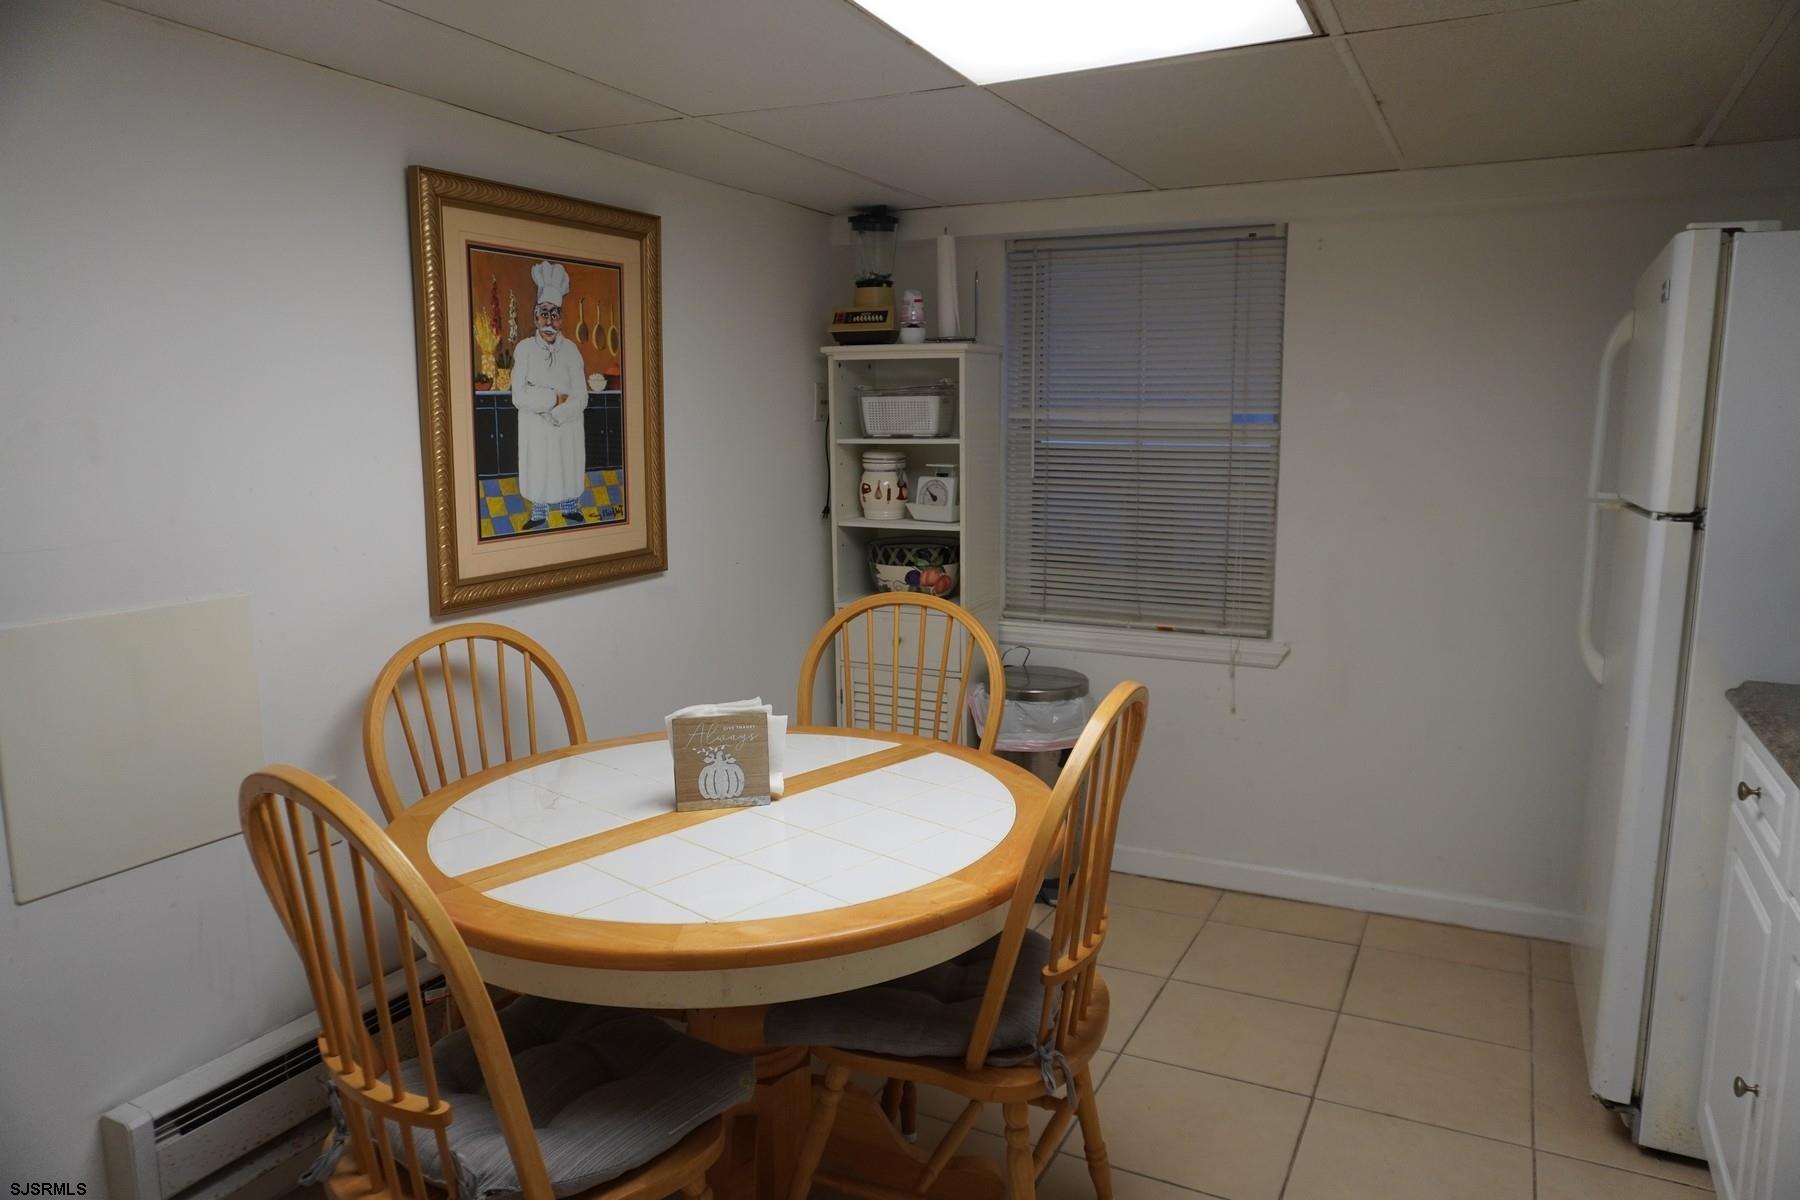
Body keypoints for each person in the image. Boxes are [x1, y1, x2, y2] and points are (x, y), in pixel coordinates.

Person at [511, 260, 589, 530]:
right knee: (540, 468)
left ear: (561, 319)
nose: (549, 321)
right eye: (544, 314)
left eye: (555, 315)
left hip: (567, 426)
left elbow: (581, 396)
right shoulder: (524, 350)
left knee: (567, 465)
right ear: (535, 317)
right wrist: (554, 399)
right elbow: (519, 396)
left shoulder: (572, 351)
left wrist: (559, 413)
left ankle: (570, 508)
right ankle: (538, 513)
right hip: (536, 430)